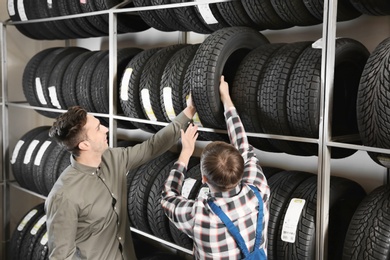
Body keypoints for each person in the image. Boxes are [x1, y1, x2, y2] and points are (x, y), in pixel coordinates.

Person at [44, 101, 196, 260]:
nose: (106, 129)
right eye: (97, 128)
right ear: (84, 145)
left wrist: (190, 110)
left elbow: (152, 147)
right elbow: (61, 257)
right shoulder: (63, 196)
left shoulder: (112, 158)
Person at [161, 76, 270, 259]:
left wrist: (186, 152)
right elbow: (243, 145)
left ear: (204, 179)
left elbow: (168, 196)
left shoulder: (198, 216)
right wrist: (226, 98)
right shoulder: (259, 189)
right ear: (241, 169)